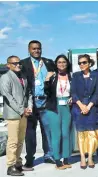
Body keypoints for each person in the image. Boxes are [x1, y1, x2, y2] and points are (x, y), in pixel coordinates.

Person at [20, 40, 56, 169]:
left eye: (38, 48)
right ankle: (29, 158)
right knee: (30, 133)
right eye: (34, 48)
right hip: (30, 103)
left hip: (45, 102)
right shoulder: (23, 64)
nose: (37, 51)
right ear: (29, 50)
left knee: (47, 131)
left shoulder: (48, 63)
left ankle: (49, 155)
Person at [1, 56, 32, 176]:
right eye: (14, 63)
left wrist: (29, 107)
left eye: (19, 63)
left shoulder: (23, 77)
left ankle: (18, 163)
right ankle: (10, 166)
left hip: (24, 113)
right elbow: (8, 97)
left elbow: (28, 93)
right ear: (8, 65)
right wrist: (21, 110)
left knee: (20, 141)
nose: (18, 65)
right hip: (13, 114)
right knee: (13, 141)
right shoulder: (5, 77)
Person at [71, 54, 98, 169]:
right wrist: (81, 105)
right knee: (81, 134)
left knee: (92, 134)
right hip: (79, 108)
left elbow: (97, 93)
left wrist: (88, 106)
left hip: (92, 108)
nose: (82, 65)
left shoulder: (96, 75)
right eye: (80, 63)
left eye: (84, 62)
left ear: (89, 63)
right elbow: (73, 93)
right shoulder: (76, 76)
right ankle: (83, 157)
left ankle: (91, 157)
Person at [44, 55, 73, 170]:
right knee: (57, 134)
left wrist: (72, 98)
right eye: (59, 62)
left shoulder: (71, 76)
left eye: (64, 62)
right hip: (54, 106)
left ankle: (66, 158)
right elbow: (46, 91)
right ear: (56, 64)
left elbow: (74, 90)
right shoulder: (52, 76)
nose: (61, 64)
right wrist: (46, 79)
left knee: (66, 134)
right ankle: (57, 160)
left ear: (67, 63)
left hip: (67, 106)